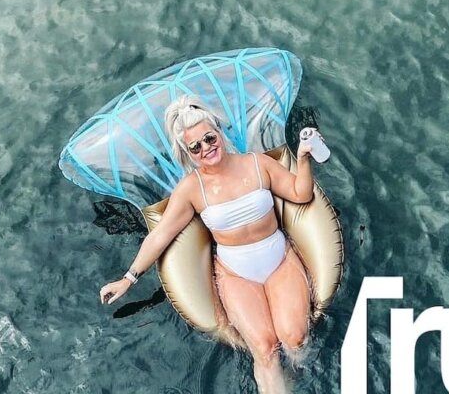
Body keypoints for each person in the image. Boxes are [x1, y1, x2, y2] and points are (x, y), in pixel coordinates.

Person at [98, 94, 317, 394]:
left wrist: (303, 158)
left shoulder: (257, 164)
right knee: (265, 349)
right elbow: (160, 235)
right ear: (187, 153)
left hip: (278, 259)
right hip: (237, 273)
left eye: (209, 138)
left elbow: (299, 193)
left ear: (220, 133)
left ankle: (299, 381)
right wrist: (128, 279)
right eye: (195, 146)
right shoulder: (191, 189)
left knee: (295, 340)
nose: (206, 148)